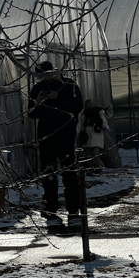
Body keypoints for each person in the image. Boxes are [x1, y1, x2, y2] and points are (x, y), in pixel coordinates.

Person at [27, 60, 83, 221]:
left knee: (69, 172)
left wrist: (58, 98)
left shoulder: (68, 85)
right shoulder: (38, 89)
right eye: (41, 76)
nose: (45, 78)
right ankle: (50, 207)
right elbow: (31, 114)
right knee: (48, 173)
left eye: (47, 75)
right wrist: (37, 102)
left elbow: (77, 106)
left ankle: (73, 208)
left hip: (66, 134)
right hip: (46, 136)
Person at [76, 101, 110, 173]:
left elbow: (79, 125)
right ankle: (93, 169)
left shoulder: (85, 115)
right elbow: (104, 123)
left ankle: (97, 168)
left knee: (93, 154)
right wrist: (106, 128)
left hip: (92, 136)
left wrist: (78, 133)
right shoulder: (95, 114)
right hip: (93, 136)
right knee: (91, 154)